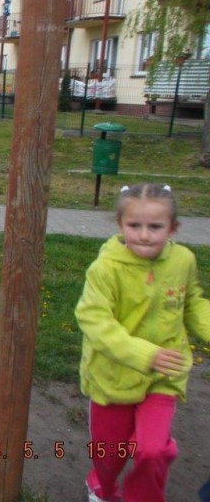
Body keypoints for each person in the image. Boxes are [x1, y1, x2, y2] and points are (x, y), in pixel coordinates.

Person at [75, 184, 210, 502]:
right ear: (120, 225)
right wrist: (143, 353)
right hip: (112, 377)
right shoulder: (105, 268)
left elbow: (192, 303)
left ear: (172, 227)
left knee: (152, 451)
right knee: (110, 455)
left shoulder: (183, 260)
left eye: (155, 226)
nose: (145, 235)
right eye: (135, 225)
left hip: (163, 377)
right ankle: (102, 486)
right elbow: (93, 319)